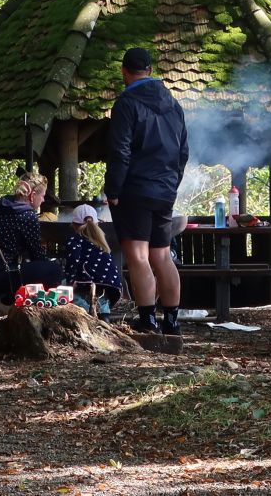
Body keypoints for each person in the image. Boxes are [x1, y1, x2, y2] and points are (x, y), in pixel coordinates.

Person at [105, 46, 189, 335]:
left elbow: (120, 150)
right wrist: (171, 185)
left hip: (135, 190)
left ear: (124, 72)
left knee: (138, 256)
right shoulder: (174, 106)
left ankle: (148, 321)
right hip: (165, 192)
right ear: (150, 71)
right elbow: (183, 153)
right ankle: (173, 322)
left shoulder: (126, 103)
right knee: (162, 256)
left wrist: (113, 188)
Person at [0, 171, 64, 322]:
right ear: (32, 195)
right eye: (42, 195)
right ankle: (5, 304)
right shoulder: (27, 216)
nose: (43, 200)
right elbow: (37, 255)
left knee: (8, 266)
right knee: (53, 271)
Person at [64, 204, 123, 318]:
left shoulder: (74, 239)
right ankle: (104, 314)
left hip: (85, 282)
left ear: (74, 225)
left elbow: (73, 262)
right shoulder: (102, 243)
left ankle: (82, 309)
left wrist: (70, 282)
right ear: (97, 224)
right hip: (109, 286)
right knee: (101, 295)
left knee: (63, 285)